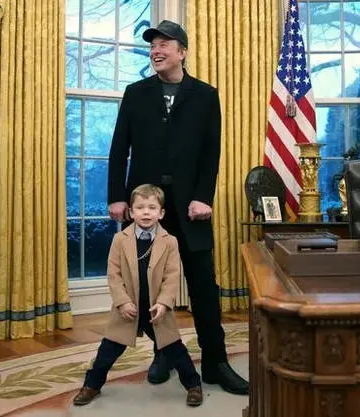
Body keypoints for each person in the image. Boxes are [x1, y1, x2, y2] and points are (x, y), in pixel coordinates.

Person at [107, 20, 248, 395]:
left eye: (164, 44)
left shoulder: (205, 95)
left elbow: (211, 153)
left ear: (182, 52)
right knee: (150, 286)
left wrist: (204, 197)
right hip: (146, 209)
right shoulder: (135, 93)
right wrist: (117, 196)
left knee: (203, 285)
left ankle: (216, 363)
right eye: (153, 45)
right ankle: (164, 354)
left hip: (191, 209)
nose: (156, 50)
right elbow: (119, 149)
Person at [73, 185, 203, 407]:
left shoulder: (170, 241)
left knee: (174, 349)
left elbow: (172, 277)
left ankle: (193, 385)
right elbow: (113, 274)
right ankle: (92, 385)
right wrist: (122, 302)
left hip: (156, 309)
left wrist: (164, 303)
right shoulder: (119, 239)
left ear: (161, 213)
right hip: (128, 307)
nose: (146, 212)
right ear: (131, 212)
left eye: (152, 208)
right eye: (140, 208)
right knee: (107, 351)